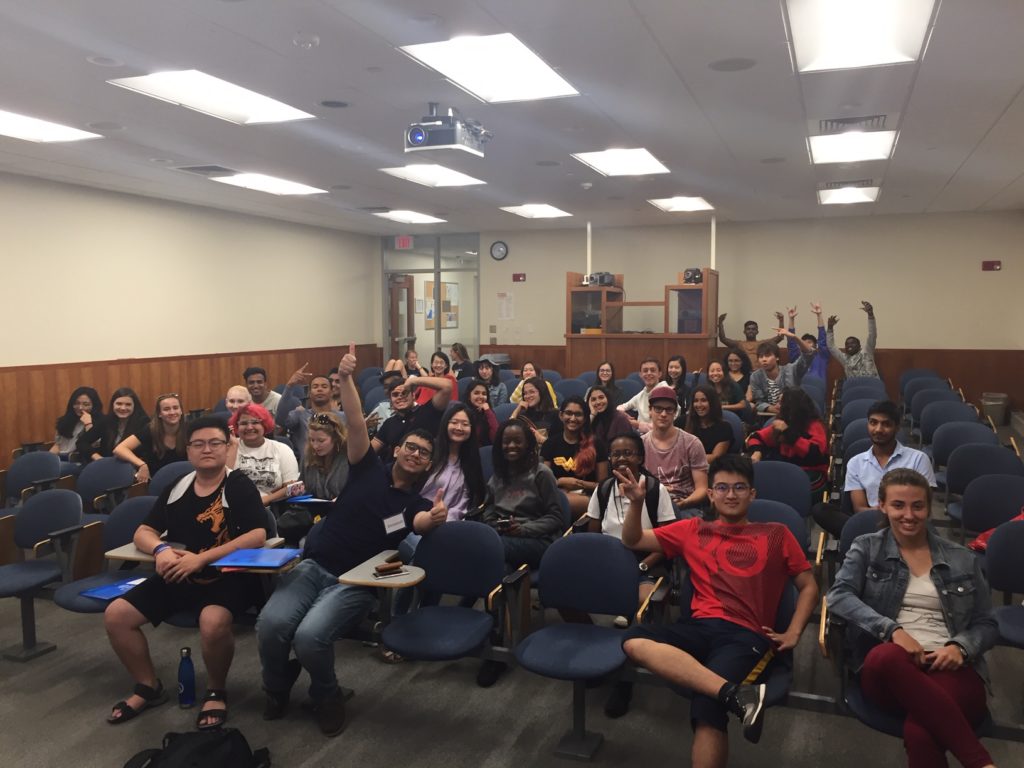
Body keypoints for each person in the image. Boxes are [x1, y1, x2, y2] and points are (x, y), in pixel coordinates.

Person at [257, 343, 444, 736]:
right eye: (410, 447)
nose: (414, 454)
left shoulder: (416, 502)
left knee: (310, 638)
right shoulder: (366, 468)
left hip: (357, 580)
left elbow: (422, 523)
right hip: (313, 566)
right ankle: (276, 687)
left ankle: (328, 694)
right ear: (397, 449)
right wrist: (344, 378)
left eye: (423, 454)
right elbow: (356, 423)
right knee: (270, 625)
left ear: (428, 465)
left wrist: (435, 517)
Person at [615, 454, 818, 765]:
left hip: (746, 636)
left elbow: (809, 586)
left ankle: (722, 694)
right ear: (710, 494)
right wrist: (637, 503)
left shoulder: (776, 534)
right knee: (633, 640)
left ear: (753, 494)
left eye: (739, 488)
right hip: (697, 627)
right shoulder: (693, 529)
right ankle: (734, 695)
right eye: (722, 488)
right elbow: (633, 540)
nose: (731, 495)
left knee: (707, 705)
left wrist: (794, 631)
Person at [826, 469, 998, 768]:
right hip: (888, 670)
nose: (909, 515)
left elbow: (987, 623)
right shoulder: (867, 547)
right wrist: (892, 630)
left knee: (921, 734)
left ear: (929, 508)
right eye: (898, 505)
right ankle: (980, 762)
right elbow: (839, 596)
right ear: (881, 505)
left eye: (917, 506)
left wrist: (960, 647)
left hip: (951, 666)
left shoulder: (961, 558)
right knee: (884, 656)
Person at [103, 415, 267, 729]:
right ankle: (148, 686)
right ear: (188, 450)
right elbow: (144, 531)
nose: (207, 449)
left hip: (228, 575)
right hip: (179, 574)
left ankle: (216, 690)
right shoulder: (177, 487)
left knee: (212, 622)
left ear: (226, 447)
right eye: (198, 444)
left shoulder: (238, 484)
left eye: (215, 443)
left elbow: (257, 535)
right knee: (117, 615)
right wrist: (160, 549)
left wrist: (201, 559)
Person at [812, 400, 936, 538]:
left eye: (886, 424)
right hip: (870, 521)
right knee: (821, 509)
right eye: (873, 422)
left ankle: (864, 538)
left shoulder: (918, 459)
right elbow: (859, 508)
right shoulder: (856, 462)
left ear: (897, 427)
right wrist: (883, 513)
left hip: (906, 520)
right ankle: (872, 537)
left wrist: (895, 512)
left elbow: (924, 505)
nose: (878, 429)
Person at [586, 432, 675, 608]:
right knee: (568, 591)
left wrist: (641, 565)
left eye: (628, 453)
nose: (621, 458)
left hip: (646, 561)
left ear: (640, 458)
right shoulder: (603, 489)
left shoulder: (655, 490)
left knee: (644, 601)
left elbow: (667, 541)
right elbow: (593, 534)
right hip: (609, 558)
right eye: (616, 454)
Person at [746, 387, 828, 495]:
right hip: (785, 469)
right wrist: (757, 452)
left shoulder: (814, 425)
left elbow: (814, 453)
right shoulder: (783, 422)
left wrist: (788, 432)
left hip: (810, 472)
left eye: (781, 403)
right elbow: (756, 437)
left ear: (792, 407)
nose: (776, 406)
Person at [642, 385, 708, 515]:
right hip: (650, 505)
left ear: (675, 413)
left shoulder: (692, 443)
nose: (663, 414)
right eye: (658, 409)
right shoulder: (640, 444)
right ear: (650, 411)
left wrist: (683, 503)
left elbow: (702, 489)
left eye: (669, 409)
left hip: (685, 506)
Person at [541, 396, 609, 517]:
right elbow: (543, 482)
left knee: (563, 502)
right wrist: (561, 482)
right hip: (557, 494)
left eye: (578, 414)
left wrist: (578, 483)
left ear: (584, 418)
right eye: (568, 413)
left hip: (588, 497)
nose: (573, 418)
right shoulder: (550, 444)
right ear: (561, 415)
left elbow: (603, 486)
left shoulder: (597, 444)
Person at [421, 403, 486, 522]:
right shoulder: (429, 451)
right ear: (445, 423)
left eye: (465, 424)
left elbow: (468, 503)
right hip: (416, 517)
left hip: (449, 525)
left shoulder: (472, 460)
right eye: (454, 422)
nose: (459, 428)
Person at [229, 403, 301, 507]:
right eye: (244, 423)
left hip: (271, 508)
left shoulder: (282, 449)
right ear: (236, 426)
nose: (249, 427)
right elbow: (222, 483)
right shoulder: (228, 447)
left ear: (264, 425)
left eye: (255, 422)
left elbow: (293, 488)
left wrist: (264, 500)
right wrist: (232, 447)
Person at [371, 369, 453, 456]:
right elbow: (369, 452)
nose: (400, 397)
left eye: (404, 393)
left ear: (413, 395)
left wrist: (413, 381)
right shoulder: (389, 423)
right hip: (396, 466)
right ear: (391, 401)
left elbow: (447, 386)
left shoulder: (428, 411)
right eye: (395, 395)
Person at [278, 364, 345, 463]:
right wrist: (289, 386)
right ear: (309, 393)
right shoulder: (300, 415)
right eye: (315, 386)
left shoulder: (342, 416)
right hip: (309, 467)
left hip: (337, 466)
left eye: (324, 386)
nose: (319, 389)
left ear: (331, 392)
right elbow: (280, 419)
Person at [114, 393, 188, 483]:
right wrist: (142, 464)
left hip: (184, 481)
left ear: (181, 411)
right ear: (159, 414)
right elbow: (119, 449)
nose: (172, 412)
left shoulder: (190, 429)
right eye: (166, 409)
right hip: (156, 482)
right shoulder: (150, 430)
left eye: (175, 408)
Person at [746, 330, 814, 416]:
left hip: (793, 414)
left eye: (767, 355)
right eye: (760, 356)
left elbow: (808, 354)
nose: (764, 359)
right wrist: (774, 409)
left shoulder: (790, 369)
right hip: (769, 415)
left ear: (777, 357)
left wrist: (794, 337)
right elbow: (759, 402)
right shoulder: (755, 376)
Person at [76, 387, 148, 463]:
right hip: (107, 466)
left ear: (134, 406)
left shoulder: (144, 423)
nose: (123, 408)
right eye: (119, 404)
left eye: (128, 404)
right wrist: (98, 458)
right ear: (113, 405)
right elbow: (82, 442)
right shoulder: (106, 421)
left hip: (133, 467)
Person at [301, 412, 349, 501]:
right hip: (313, 511)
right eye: (312, 440)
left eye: (321, 441)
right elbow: (304, 486)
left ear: (335, 438)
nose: (315, 446)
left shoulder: (348, 457)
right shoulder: (308, 455)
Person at [827, 300, 879, 378]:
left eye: (853, 343)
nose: (849, 345)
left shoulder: (867, 352)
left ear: (859, 346)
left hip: (872, 386)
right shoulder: (844, 358)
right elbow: (831, 346)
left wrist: (870, 314)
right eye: (847, 344)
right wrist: (830, 328)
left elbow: (872, 334)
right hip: (854, 388)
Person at [617, 357, 669, 434]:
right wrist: (622, 414)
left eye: (652, 370)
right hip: (641, 436)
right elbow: (621, 407)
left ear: (659, 374)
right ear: (640, 375)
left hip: (660, 437)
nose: (648, 373)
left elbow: (664, 427)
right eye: (645, 371)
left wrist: (638, 424)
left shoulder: (667, 392)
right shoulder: (642, 393)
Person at [685, 385, 733, 464]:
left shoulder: (724, 428)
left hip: (710, 470)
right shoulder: (682, 421)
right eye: (695, 401)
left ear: (712, 403)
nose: (699, 405)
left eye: (704, 400)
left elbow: (715, 457)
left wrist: (684, 459)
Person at [51, 386, 103, 458]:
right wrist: (48, 459)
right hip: (60, 458)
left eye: (86, 404)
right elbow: (57, 445)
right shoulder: (65, 420)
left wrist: (88, 424)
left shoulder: (102, 422)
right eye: (76, 403)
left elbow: (95, 445)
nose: (80, 407)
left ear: (94, 406)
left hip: (78, 460)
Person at [718, 312, 785, 367]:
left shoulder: (762, 343)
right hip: (745, 373)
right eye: (748, 329)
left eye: (753, 329)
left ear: (757, 332)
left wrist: (781, 320)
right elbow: (723, 339)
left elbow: (780, 337)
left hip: (759, 373)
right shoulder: (739, 344)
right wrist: (720, 323)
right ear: (744, 331)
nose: (751, 331)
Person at [786, 302, 830, 381]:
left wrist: (819, 315)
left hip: (817, 389)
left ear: (815, 345)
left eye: (809, 342)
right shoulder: (796, 357)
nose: (805, 344)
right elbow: (791, 342)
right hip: (799, 390)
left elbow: (822, 338)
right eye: (803, 342)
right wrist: (791, 319)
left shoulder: (822, 355)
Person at [510, 376, 558, 442]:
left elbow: (559, 444)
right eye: (525, 393)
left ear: (541, 392)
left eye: (532, 392)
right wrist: (516, 410)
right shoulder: (523, 416)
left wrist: (542, 439)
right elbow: (509, 433)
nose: (527, 396)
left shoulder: (555, 414)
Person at [587, 384, 632, 451]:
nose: (598, 402)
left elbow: (626, 448)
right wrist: (592, 414)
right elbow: (582, 439)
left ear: (608, 398)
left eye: (601, 397)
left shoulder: (620, 419)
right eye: (593, 399)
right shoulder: (593, 418)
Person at [464, 379, 499, 446]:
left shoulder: (488, 413)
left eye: (484, 394)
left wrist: (488, 411)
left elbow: (496, 439)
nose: (481, 397)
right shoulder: (463, 413)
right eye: (476, 393)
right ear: (469, 396)